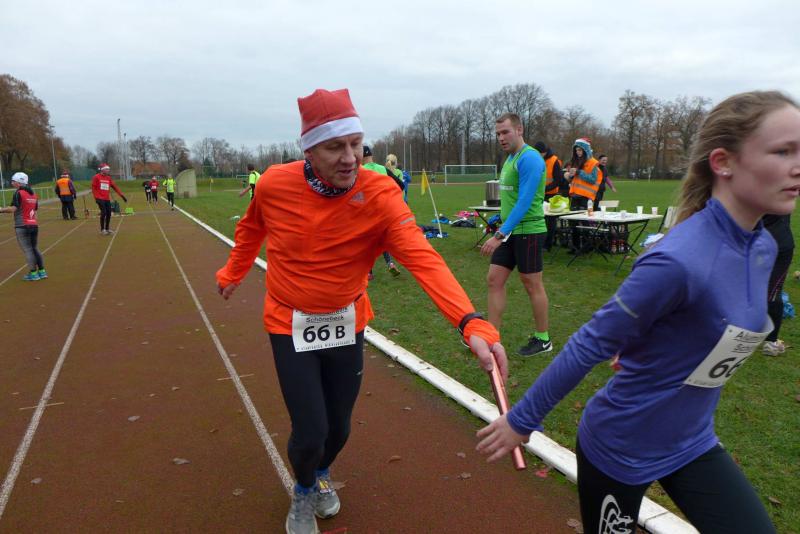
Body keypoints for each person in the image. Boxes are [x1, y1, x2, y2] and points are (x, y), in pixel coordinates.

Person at [476, 90, 800, 534]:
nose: (797, 165)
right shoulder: (677, 260)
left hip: (692, 442)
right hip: (620, 447)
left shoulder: (763, 247)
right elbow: (589, 344)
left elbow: (709, 329)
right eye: (782, 151)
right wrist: (521, 420)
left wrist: (649, 343)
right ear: (723, 162)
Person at [216, 88, 506, 534]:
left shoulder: (381, 194)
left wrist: (470, 322)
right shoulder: (274, 184)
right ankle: (304, 489)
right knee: (310, 431)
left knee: (339, 429)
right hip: (289, 322)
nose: (350, 158)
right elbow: (252, 228)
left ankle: (320, 473)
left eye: (356, 143)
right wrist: (234, 272)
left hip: (346, 321)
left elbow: (422, 258)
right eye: (335, 147)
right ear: (309, 151)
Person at [480, 114, 550, 357]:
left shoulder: (529, 158)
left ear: (519, 130)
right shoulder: (510, 159)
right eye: (498, 134)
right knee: (494, 280)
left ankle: (543, 339)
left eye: (505, 132)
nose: (501, 138)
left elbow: (524, 201)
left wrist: (499, 234)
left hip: (528, 231)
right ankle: (492, 337)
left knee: (532, 284)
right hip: (510, 231)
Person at [0, 173, 46, 280]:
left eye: (13, 181)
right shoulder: (33, 194)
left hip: (22, 225)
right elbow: (35, 211)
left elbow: (13, 209)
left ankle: (33, 274)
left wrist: (1, 210)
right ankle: (42, 272)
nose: (12, 183)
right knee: (34, 248)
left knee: (28, 250)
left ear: (19, 182)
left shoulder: (18, 193)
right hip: (33, 225)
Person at [362, 145, 400, 277]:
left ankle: (369, 272)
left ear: (361, 157)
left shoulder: (360, 170)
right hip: (383, 210)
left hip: (367, 212)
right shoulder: (382, 169)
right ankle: (390, 263)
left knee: (367, 242)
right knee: (382, 239)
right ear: (371, 156)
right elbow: (400, 185)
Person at [761, 213, 794, 355]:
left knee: (752, 286)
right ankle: (771, 343)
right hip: (778, 242)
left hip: (756, 239)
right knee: (773, 291)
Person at [533, 141, 565, 251]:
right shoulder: (535, 160)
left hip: (551, 195)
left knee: (550, 221)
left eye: (540, 153)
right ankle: (539, 243)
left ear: (545, 152)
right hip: (538, 195)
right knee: (539, 219)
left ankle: (548, 244)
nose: (538, 155)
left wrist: (545, 189)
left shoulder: (554, 161)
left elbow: (558, 180)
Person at [566, 138, 603, 210]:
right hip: (574, 196)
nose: (577, 152)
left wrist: (579, 172)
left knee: (583, 217)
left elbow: (593, 180)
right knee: (572, 217)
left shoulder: (593, 162)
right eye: (576, 150)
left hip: (585, 198)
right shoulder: (576, 161)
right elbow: (575, 180)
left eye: (580, 150)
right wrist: (570, 176)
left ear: (585, 150)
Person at [91, 163, 127, 235]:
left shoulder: (108, 178)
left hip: (106, 198)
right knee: (103, 212)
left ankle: (107, 229)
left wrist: (121, 195)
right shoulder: (96, 177)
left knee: (109, 213)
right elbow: (93, 188)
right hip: (99, 198)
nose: (108, 170)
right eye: (107, 169)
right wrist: (96, 197)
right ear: (102, 170)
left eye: (108, 169)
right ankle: (102, 230)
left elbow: (115, 187)